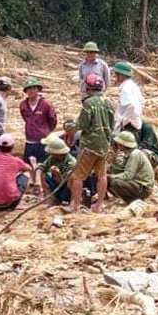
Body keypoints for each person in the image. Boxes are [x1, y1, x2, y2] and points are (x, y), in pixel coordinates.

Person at [67, 74, 114, 213]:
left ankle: (75, 205)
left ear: (88, 87)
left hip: (89, 146)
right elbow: (112, 124)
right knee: (102, 175)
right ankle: (99, 205)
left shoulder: (88, 104)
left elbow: (83, 124)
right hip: (104, 144)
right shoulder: (109, 103)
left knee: (78, 176)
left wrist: (71, 126)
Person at [0, 134, 32, 211]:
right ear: (13, 147)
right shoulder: (16, 160)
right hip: (10, 203)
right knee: (26, 174)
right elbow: (29, 169)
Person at [108, 132, 154, 204]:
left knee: (115, 182)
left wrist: (111, 177)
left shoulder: (134, 154)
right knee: (110, 178)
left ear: (122, 144)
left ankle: (133, 201)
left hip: (143, 188)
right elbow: (120, 169)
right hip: (137, 184)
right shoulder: (129, 153)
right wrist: (114, 159)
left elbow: (128, 175)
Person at [19, 78, 57, 166]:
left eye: (34, 88)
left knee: (43, 166)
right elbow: (25, 118)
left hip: (43, 141)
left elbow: (52, 120)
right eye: (29, 89)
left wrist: (45, 131)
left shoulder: (45, 104)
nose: (31, 91)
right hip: (30, 141)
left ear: (38, 90)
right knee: (28, 166)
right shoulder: (23, 105)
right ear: (26, 91)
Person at [36, 137, 76, 204]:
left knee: (71, 177)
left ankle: (71, 201)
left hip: (66, 189)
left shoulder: (71, 163)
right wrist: (38, 182)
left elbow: (64, 183)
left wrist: (58, 175)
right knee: (43, 174)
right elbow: (41, 167)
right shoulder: (53, 158)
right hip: (56, 186)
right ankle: (50, 196)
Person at [113, 61, 143, 139]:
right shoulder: (133, 86)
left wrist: (123, 122)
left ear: (121, 75)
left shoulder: (126, 88)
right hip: (134, 123)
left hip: (129, 125)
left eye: (116, 74)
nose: (115, 77)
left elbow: (131, 106)